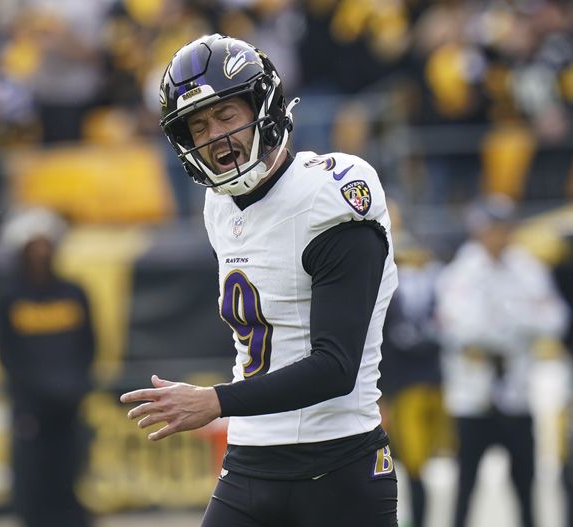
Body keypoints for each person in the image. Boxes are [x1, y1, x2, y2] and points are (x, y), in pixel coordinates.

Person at [120, 34, 399, 526]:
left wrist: (215, 400)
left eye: (226, 115)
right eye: (198, 126)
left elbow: (336, 366)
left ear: (263, 107)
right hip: (250, 461)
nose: (214, 137)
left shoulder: (329, 192)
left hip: (339, 465)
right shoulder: (217, 206)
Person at [435, 195, 569, 527]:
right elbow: (453, 327)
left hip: (516, 392)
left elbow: (556, 318)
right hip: (473, 394)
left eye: (504, 228)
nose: (499, 236)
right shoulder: (461, 271)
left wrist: (502, 326)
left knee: (526, 485)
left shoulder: (527, 268)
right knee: (466, 484)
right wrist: (518, 326)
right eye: (492, 228)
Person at [0, 207, 95, 527]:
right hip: (30, 410)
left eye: (45, 244)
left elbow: (90, 344)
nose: (41, 252)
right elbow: (6, 354)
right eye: (34, 246)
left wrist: (77, 386)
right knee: (33, 485)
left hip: (69, 406)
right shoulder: (8, 298)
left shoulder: (74, 293)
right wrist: (29, 396)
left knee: (70, 477)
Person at [379, 228, 449, 527]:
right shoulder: (385, 288)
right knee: (400, 464)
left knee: (418, 464)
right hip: (398, 388)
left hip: (424, 384)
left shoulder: (438, 283)